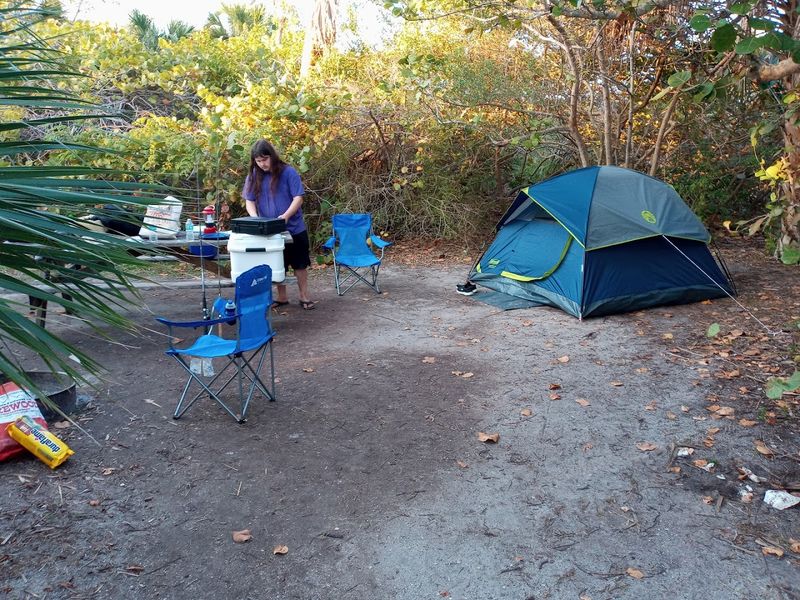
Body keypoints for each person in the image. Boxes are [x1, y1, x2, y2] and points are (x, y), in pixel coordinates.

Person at [242, 139, 315, 310]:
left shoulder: (288, 172)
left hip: (294, 228)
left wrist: (286, 216)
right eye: (258, 161)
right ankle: (282, 297)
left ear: (272, 156)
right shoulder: (253, 175)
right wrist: (255, 218)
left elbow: (298, 197)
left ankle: (304, 296)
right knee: (276, 265)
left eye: (265, 159)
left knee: (300, 264)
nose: (262, 164)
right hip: (269, 231)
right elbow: (249, 200)